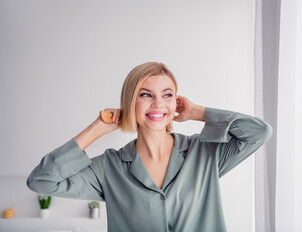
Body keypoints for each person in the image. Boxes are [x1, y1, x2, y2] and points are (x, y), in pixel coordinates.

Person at [27, 62, 273, 232]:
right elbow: (42, 181)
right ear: (130, 101)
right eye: (145, 95)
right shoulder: (109, 167)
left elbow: (259, 132)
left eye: (167, 95)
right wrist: (97, 128)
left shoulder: (205, 152)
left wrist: (198, 112)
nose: (158, 104)